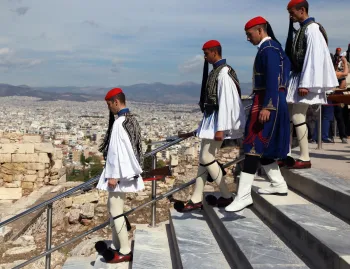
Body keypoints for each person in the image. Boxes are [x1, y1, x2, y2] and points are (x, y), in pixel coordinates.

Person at [225, 16, 290, 212]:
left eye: (249, 34)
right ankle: (279, 184)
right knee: (265, 146)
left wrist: (267, 106)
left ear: (260, 30)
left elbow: (272, 78)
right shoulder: (275, 48)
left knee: (253, 144)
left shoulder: (268, 49)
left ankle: (243, 195)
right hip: (273, 99)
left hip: (267, 100)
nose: (248, 38)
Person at [179, 40, 246, 212]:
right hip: (212, 121)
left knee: (208, 158)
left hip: (217, 122)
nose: (205, 56)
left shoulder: (223, 73)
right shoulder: (217, 72)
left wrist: (221, 128)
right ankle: (196, 198)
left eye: (207, 53)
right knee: (203, 159)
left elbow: (226, 102)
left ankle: (226, 195)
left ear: (214, 52)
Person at [284, 0, 338, 169]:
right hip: (298, 77)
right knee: (292, 116)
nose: (290, 15)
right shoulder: (303, 29)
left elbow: (313, 57)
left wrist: (306, 82)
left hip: (304, 79)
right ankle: (287, 154)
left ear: (302, 10)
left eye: (292, 12)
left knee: (298, 116)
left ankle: (305, 157)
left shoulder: (312, 29)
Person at [96, 88, 144, 263]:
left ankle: (124, 249)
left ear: (116, 102)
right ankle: (117, 243)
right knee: (114, 207)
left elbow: (116, 152)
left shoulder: (119, 123)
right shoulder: (131, 120)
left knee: (116, 211)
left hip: (118, 175)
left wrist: (113, 175)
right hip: (127, 172)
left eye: (109, 104)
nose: (109, 108)